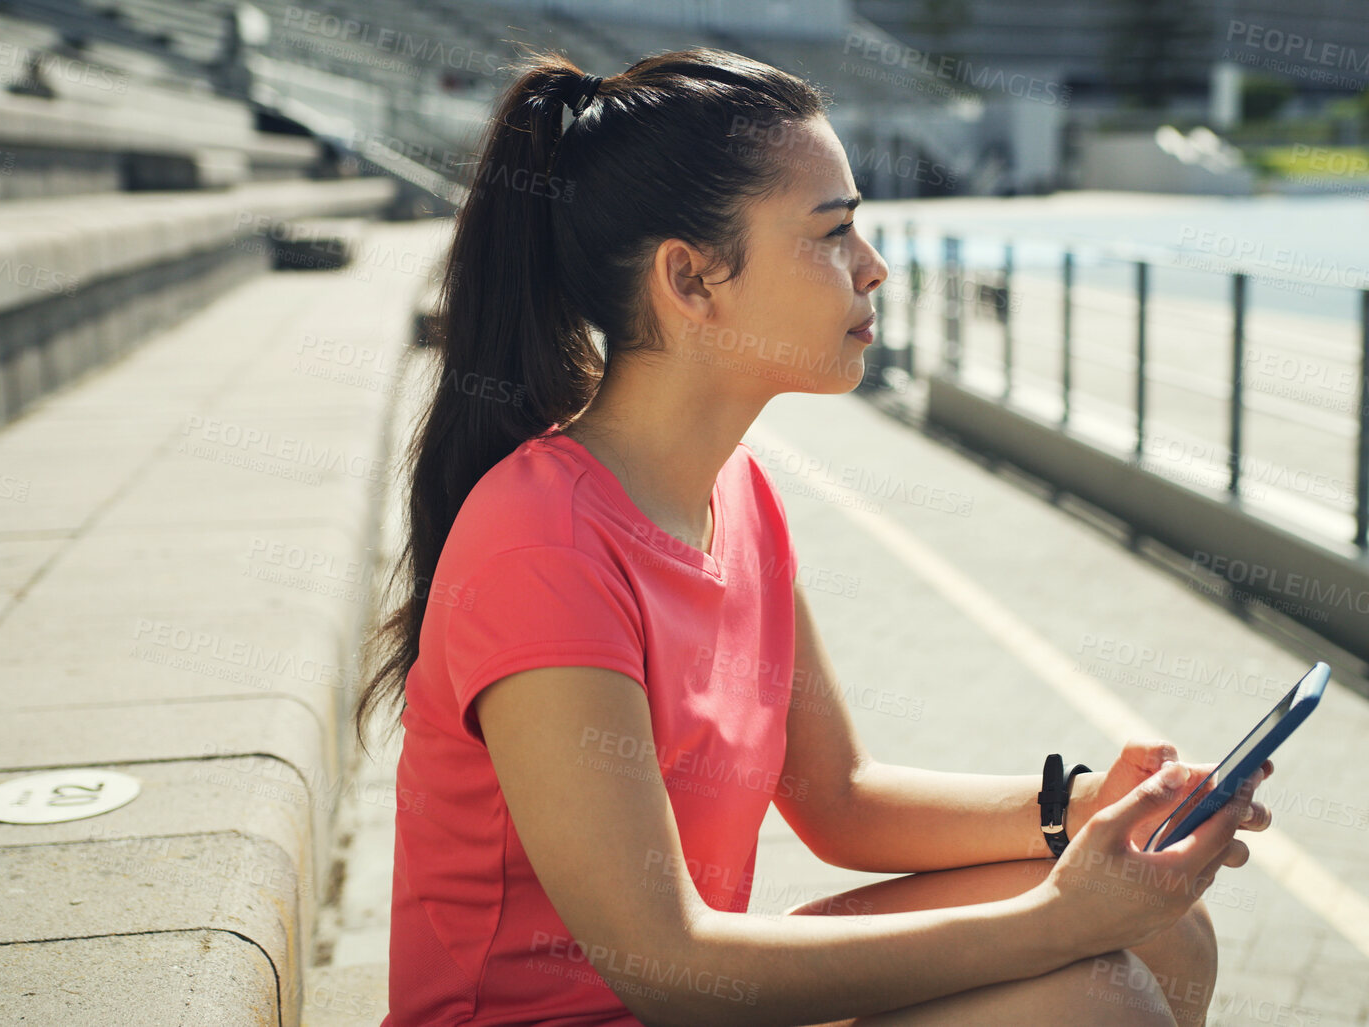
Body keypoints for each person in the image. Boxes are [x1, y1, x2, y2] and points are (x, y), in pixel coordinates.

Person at [354, 46, 1275, 1027]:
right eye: (833, 235)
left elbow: (841, 798)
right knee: (1097, 991)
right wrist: (1058, 918)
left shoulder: (737, 490)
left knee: (1163, 930)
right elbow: (661, 963)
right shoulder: (542, 547)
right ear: (692, 279)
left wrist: (1083, 810)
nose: (873, 268)